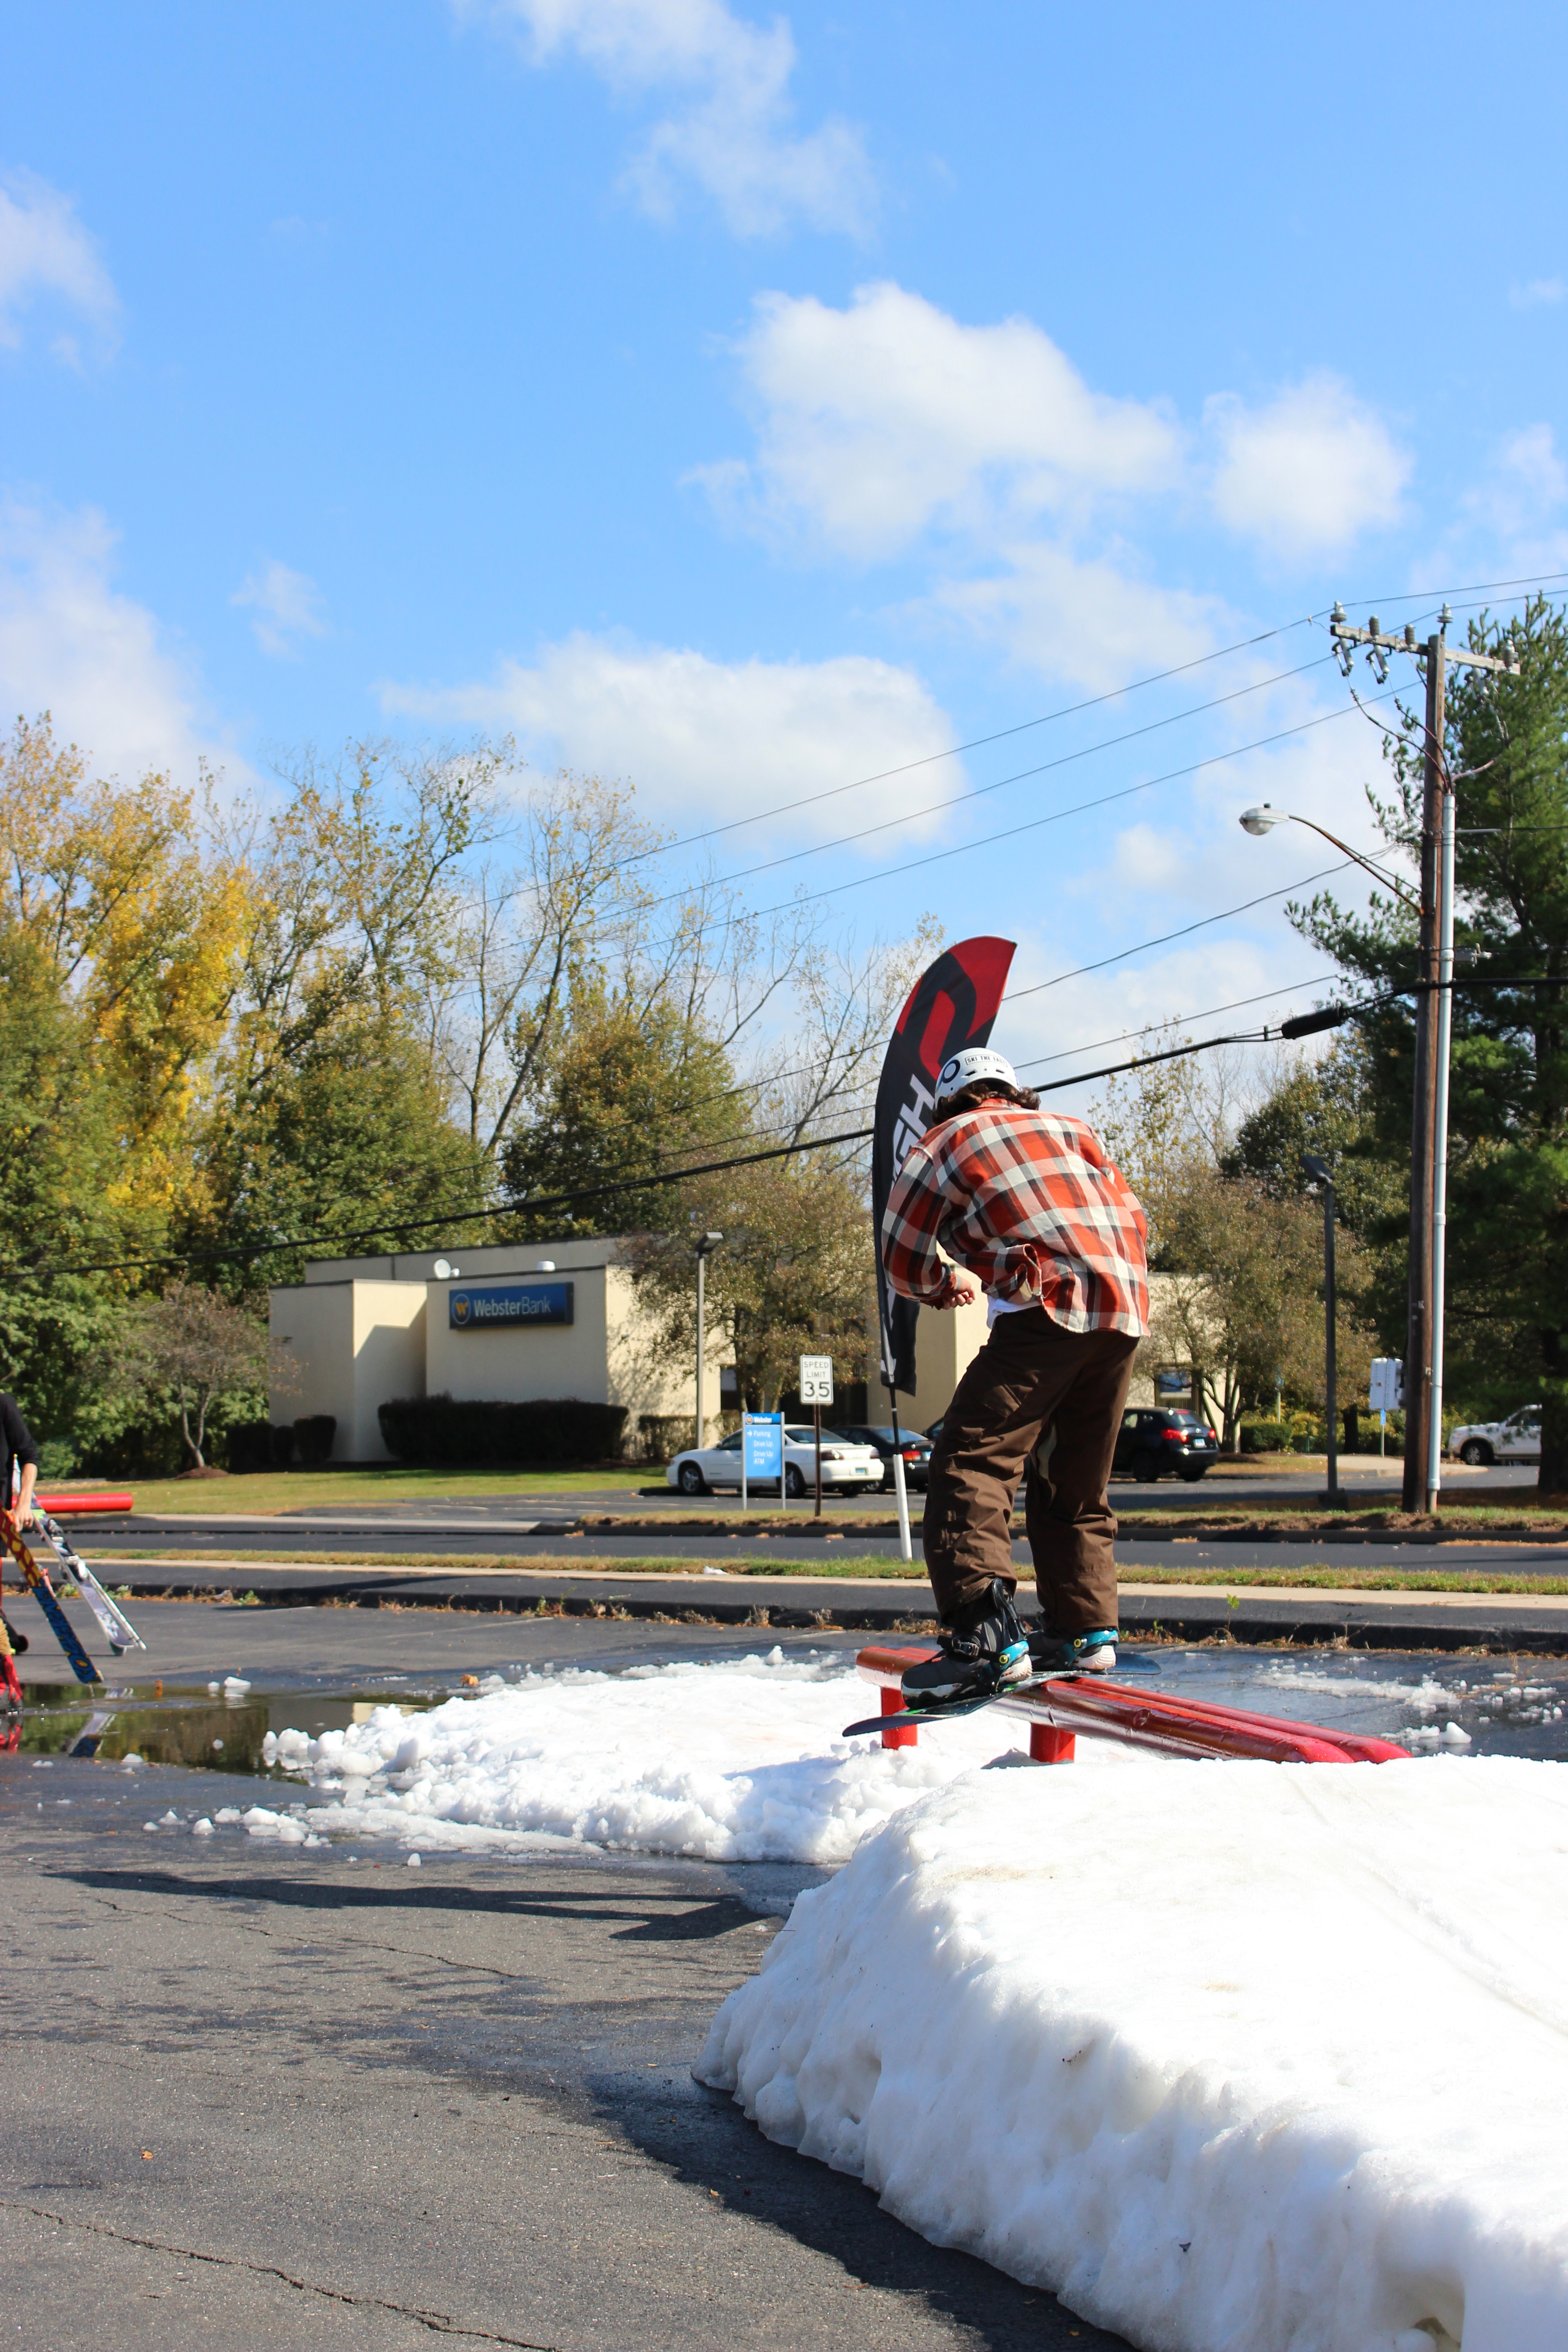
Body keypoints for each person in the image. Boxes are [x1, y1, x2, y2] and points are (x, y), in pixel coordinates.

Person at [880, 1046, 1148, 1708]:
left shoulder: (947, 1138)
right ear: (1011, 1091)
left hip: (1046, 1305)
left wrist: (941, 1284)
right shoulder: (1072, 1129)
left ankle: (985, 1640)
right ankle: (1084, 1631)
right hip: (1124, 1309)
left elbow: (900, 1248)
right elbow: (1135, 1217)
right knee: (1071, 1479)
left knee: (970, 1459)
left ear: (953, 1102)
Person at [0, 1389, 40, 1658]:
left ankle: (7, 1649)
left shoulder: (3, 1405)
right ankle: (9, 1639)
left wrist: (23, 1503)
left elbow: (29, 1456)